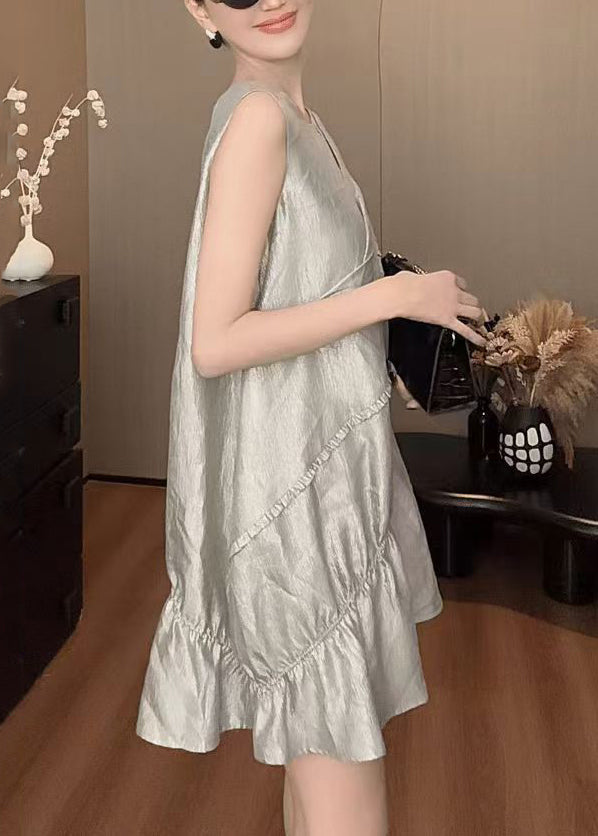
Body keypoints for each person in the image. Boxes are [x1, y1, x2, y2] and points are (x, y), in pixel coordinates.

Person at [135, 2, 487, 834]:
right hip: (297, 509)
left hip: (323, 483)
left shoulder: (291, 117)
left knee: (319, 770)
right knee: (345, 796)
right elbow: (215, 341)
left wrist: (388, 335)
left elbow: (303, 289)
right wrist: (397, 296)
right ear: (200, 9)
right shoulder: (259, 122)